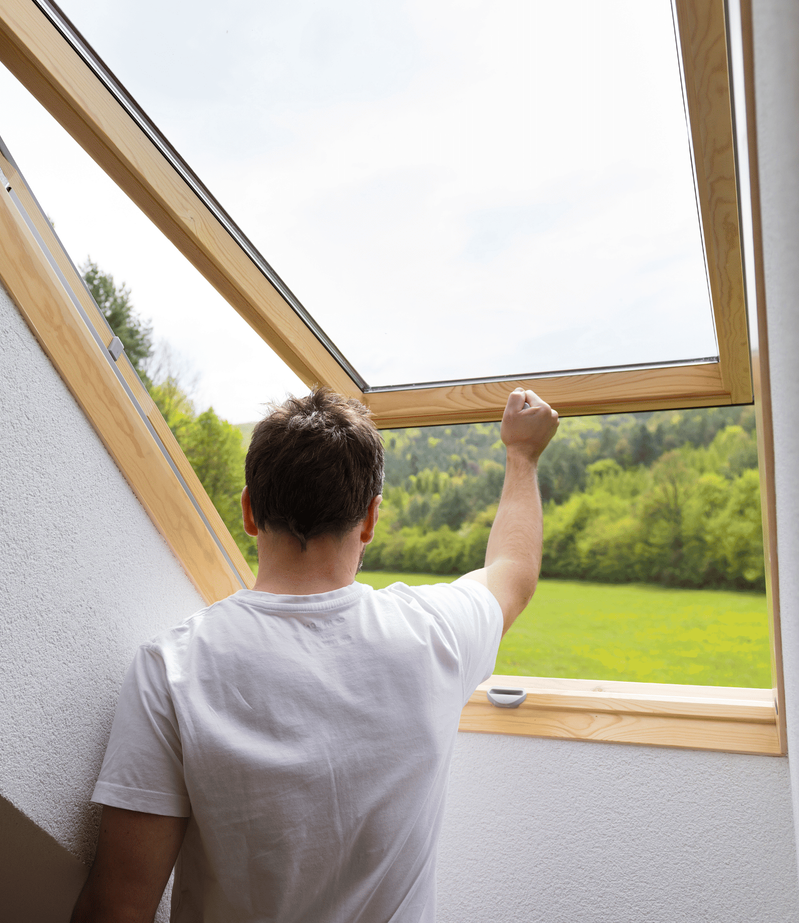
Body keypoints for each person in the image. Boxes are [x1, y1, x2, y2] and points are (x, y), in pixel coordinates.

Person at [70, 386, 559, 923]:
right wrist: (521, 455)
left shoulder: (171, 669)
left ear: (250, 512)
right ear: (370, 519)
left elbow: (118, 907)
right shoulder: (433, 633)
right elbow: (513, 571)